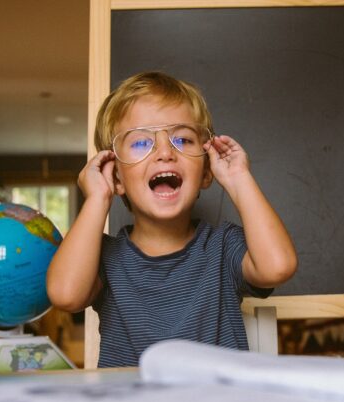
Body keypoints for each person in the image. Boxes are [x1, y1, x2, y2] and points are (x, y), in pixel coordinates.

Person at [46, 71, 297, 367]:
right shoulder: (103, 257)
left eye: (182, 139)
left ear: (206, 173)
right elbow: (65, 295)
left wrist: (238, 178)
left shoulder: (222, 248)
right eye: (140, 143)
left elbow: (278, 267)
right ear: (116, 176)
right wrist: (98, 198)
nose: (165, 152)